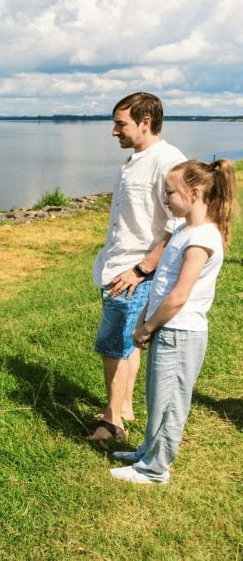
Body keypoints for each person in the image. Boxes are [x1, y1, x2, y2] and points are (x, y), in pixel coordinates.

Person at [109, 159, 235, 484]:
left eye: (169, 193)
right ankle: (148, 451)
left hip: (181, 332)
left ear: (193, 193)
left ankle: (155, 470)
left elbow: (178, 296)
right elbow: (163, 283)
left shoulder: (202, 239)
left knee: (171, 402)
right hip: (167, 328)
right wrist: (145, 319)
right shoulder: (183, 229)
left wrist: (146, 327)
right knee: (157, 396)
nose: (165, 200)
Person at [87, 92, 186, 442]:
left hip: (132, 273)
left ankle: (112, 423)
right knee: (127, 343)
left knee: (113, 346)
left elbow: (177, 226)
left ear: (145, 122)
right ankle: (124, 406)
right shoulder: (137, 158)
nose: (114, 131)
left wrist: (141, 270)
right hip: (117, 266)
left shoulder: (167, 161)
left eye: (120, 123)